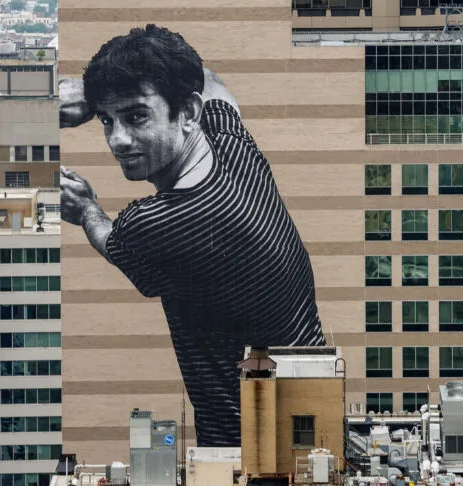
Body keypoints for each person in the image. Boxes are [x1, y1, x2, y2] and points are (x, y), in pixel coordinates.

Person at [59, 24, 326, 447]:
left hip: (245, 446)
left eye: (137, 117)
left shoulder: (163, 221)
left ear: (187, 113)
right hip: (313, 419)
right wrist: (103, 97)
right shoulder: (230, 143)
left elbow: (111, 240)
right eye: (108, 121)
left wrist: (86, 207)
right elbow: (211, 79)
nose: (118, 140)